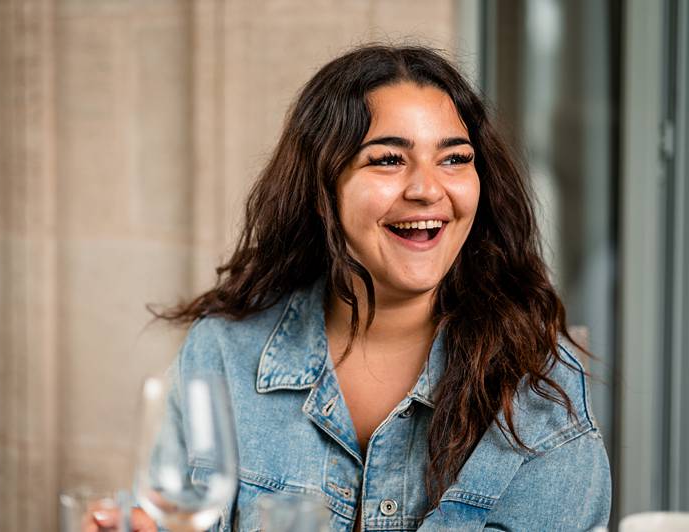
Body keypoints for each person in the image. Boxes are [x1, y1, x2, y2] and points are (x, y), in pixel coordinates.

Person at [143, 45, 609, 531]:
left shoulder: (538, 387)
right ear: (323, 187)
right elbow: (169, 513)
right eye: (388, 159)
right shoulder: (223, 352)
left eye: (454, 159)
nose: (427, 189)